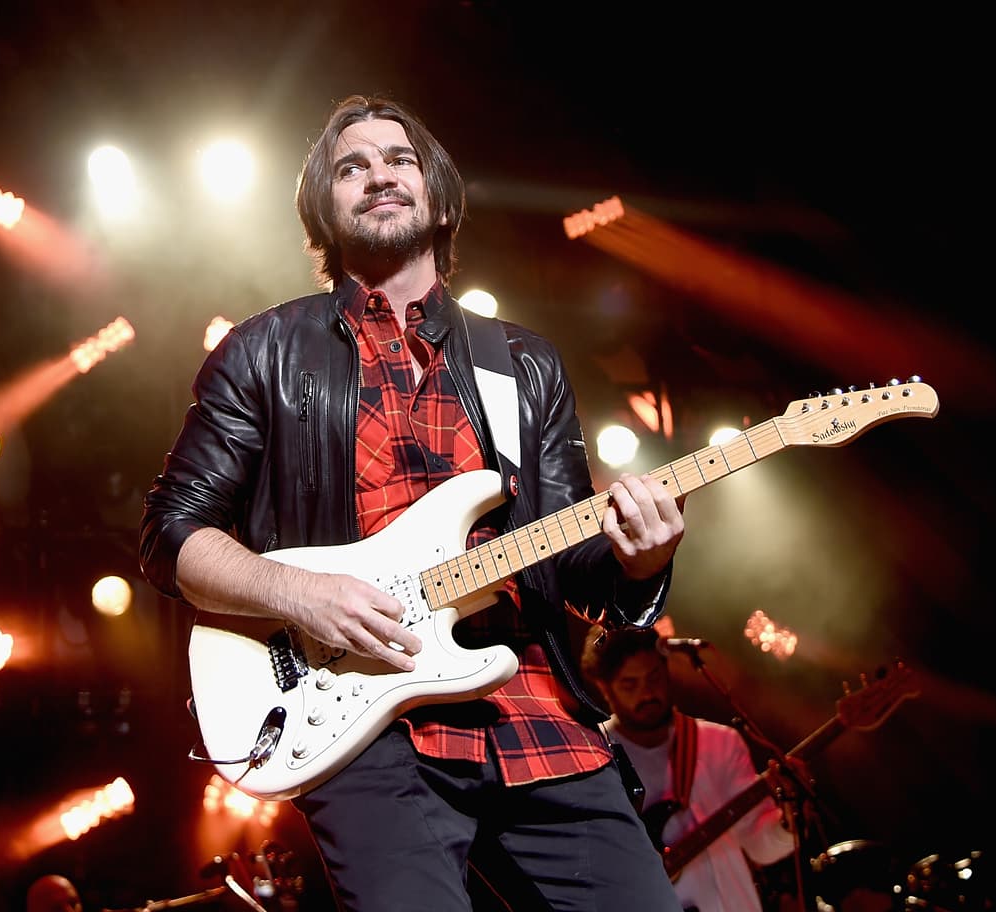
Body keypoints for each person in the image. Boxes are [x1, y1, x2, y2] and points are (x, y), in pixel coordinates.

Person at [139, 92, 687, 911]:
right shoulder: (262, 351)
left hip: (534, 711)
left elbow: (573, 565)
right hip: (369, 724)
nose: (378, 176)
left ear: (437, 194)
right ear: (322, 209)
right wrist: (299, 593)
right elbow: (171, 535)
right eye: (350, 166)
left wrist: (642, 556)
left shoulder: (524, 364)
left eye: (400, 160)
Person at [579, 625, 797, 912]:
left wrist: (787, 820)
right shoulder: (594, 756)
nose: (647, 692)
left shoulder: (720, 742)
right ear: (604, 689)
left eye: (653, 676)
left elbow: (761, 848)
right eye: (630, 684)